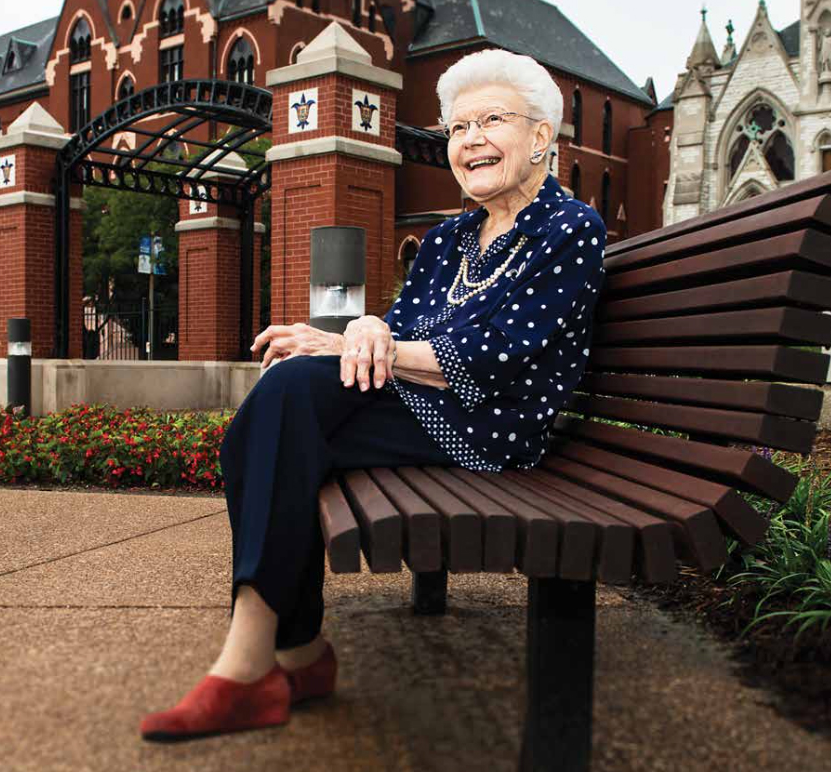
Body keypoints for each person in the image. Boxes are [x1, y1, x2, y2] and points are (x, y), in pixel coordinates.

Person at [140, 47, 606, 742]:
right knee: (278, 404)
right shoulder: (451, 237)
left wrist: (368, 347)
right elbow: (401, 327)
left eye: (491, 121)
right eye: (457, 128)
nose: (470, 139)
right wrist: (354, 332)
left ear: (541, 137)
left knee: (289, 404)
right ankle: (289, 655)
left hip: (490, 425)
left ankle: (262, 664)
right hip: (426, 402)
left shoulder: (568, 230)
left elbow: (499, 356)